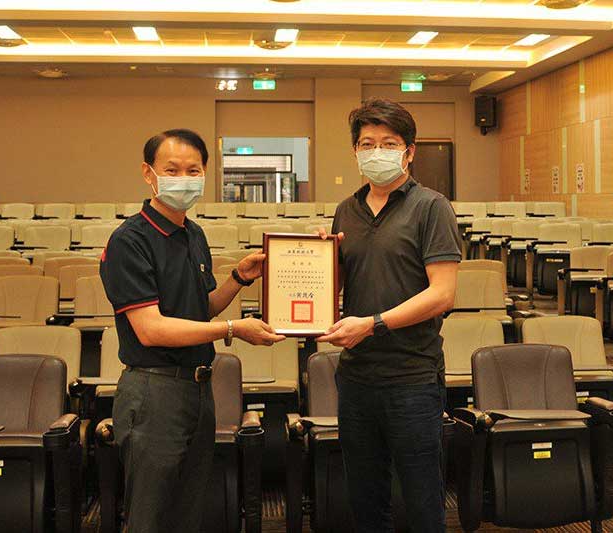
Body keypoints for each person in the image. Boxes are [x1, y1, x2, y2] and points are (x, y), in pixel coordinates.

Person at [100, 128, 285, 533]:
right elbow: (151, 330)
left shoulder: (194, 234)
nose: (183, 179)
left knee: (188, 512)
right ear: (148, 174)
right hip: (154, 391)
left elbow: (202, 310)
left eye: (193, 170)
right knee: (149, 517)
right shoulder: (129, 240)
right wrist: (233, 329)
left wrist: (239, 277)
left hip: (198, 390)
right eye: (172, 170)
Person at [317, 98, 461, 532]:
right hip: (357, 377)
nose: (376, 152)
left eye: (388, 143)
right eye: (367, 144)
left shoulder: (432, 207)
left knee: (422, 502)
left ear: (409, 151)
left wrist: (374, 324)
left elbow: (442, 295)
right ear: (355, 151)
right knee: (365, 500)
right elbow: (338, 286)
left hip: (412, 377)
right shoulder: (346, 209)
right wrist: (317, 259)